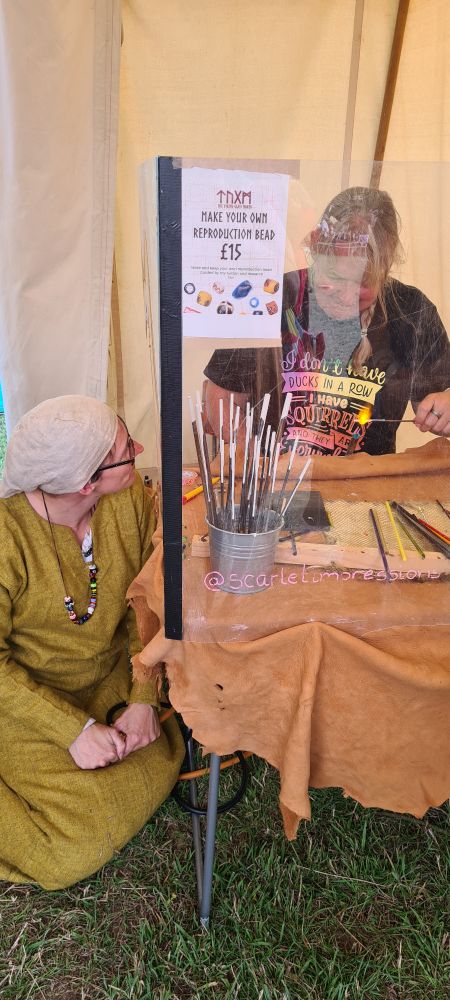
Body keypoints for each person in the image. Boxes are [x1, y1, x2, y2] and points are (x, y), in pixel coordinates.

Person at [0, 395, 184, 889]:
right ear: (84, 484)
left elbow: (140, 605)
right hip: (23, 701)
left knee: (155, 753)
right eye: (127, 449)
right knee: (65, 851)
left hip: (105, 679)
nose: (140, 448)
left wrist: (144, 698)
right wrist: (72, 730)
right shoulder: (6, 537)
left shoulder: (128, 501)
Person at [203, 187, 450, 457]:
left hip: (365, 486)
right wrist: (250, 458)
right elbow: (222, 396)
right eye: (334, 276)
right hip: (273, 479)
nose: (346, 295)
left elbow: (438, 401)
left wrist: (444, 407)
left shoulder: (412, 310)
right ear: (317, 250)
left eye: (363, 283)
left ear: (387, 266)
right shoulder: (271, 298)